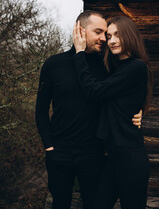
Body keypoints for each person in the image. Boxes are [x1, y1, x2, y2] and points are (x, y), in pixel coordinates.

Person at [35, 11, 142, 209]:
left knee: (93, 204)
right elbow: (41, 110)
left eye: (106, 35)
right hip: (59, 151)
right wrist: (49, 147)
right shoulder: (53, 64)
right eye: (99, 32)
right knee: (60, 203)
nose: (104, 39)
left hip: (93, 153)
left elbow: (128, 91)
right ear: (80, 31)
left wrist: (137, 111)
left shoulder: (108, 65)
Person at [73, 15, 152, 209]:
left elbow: (94, 91)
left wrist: (79, 53)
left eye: (118, 35)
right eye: (109, 36)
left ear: (130, 35)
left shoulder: (136, 67)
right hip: (114, 157)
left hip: (130, 158)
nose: (112, 41)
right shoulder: (116, 68)